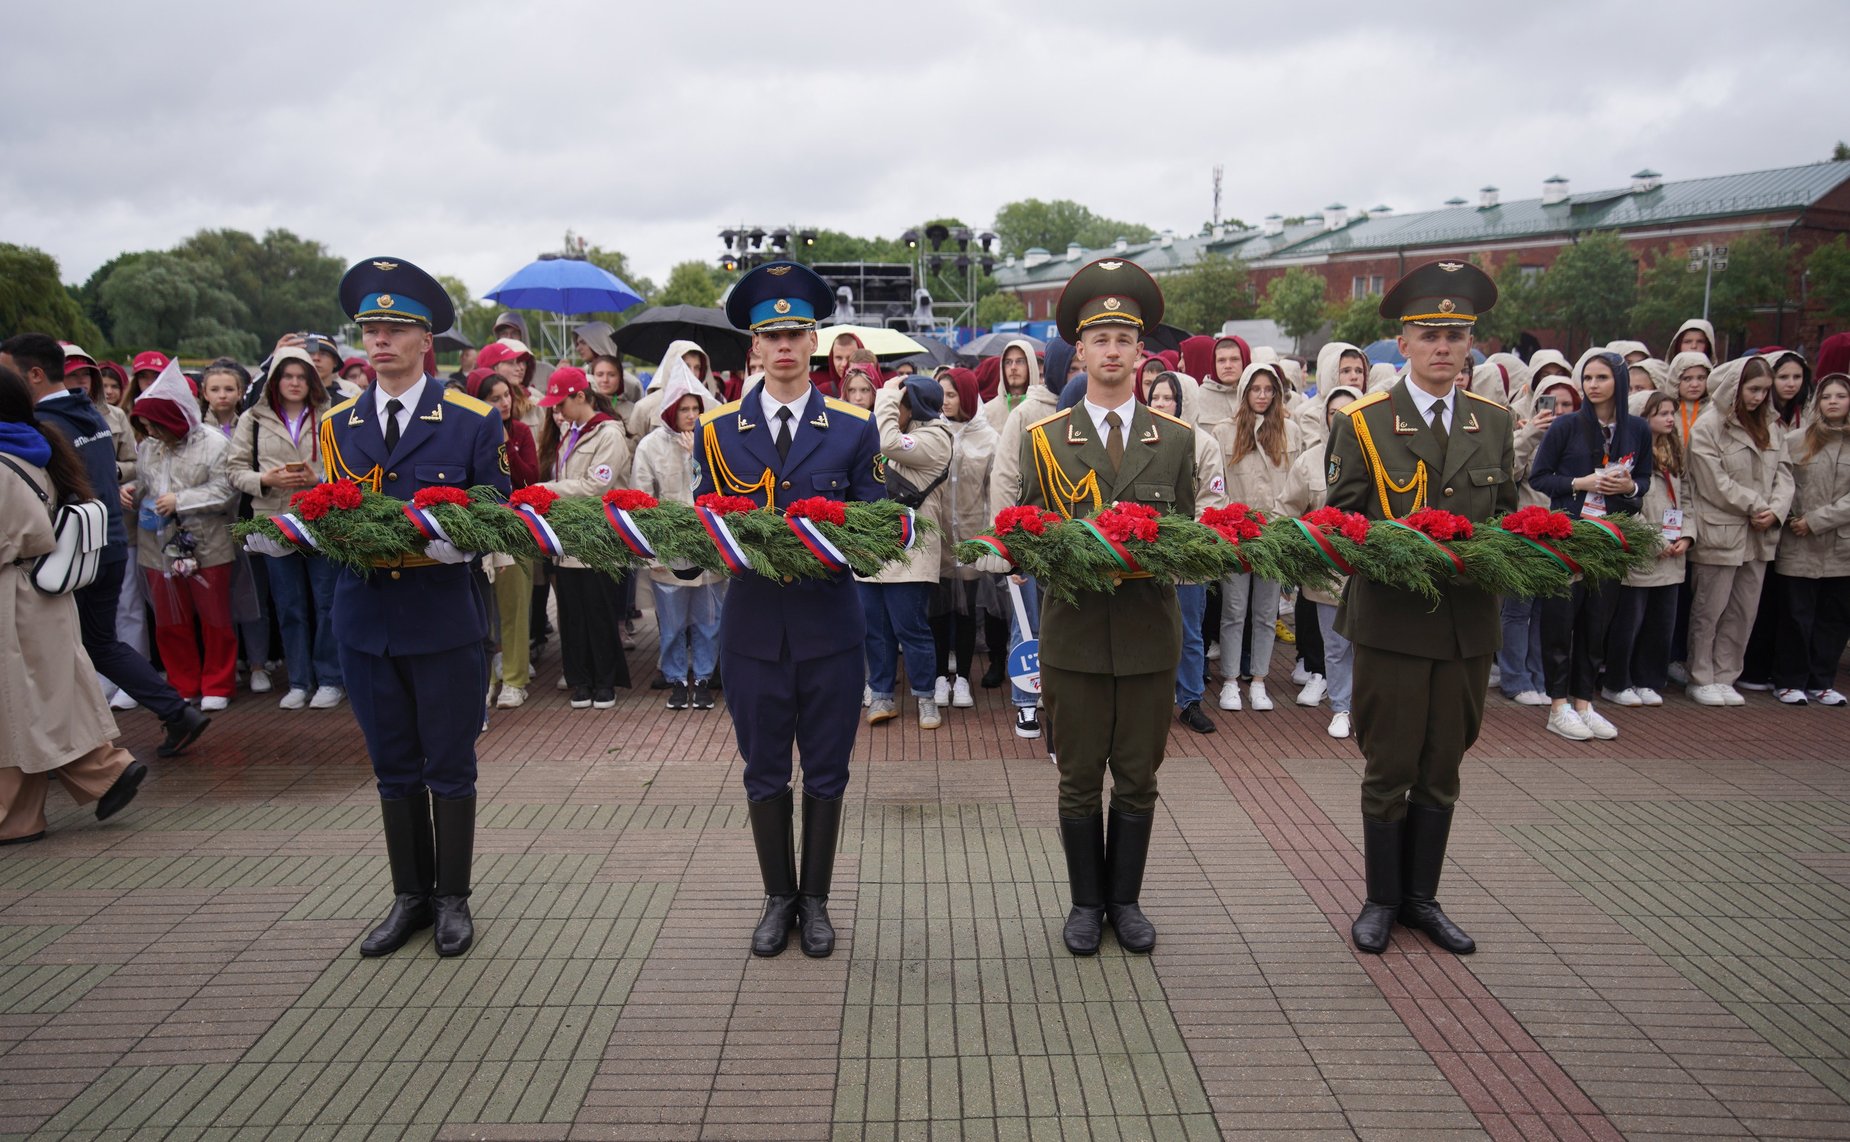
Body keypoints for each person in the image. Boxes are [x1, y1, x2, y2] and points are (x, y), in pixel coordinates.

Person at [248, 257, 510, 959]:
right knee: (392, 764)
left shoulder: (471, 419)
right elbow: (334, 505)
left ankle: (452, 899)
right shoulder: (339, 423)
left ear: (426, 339)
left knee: (448, 763)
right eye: (370, 330)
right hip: (366, 618)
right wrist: (296, 533)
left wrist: (463, 542)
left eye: (395, 329)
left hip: (441, 613)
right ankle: (409, 898)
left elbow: (498, 507)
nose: (380, 340)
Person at [1323, 260, 1516, 956]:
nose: (1443, 347)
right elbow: (1342, 524)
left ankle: (1422, 900)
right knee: (1390, 764)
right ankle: (1381, 900)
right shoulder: (1366, 422)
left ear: (1470, 345)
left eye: (1455, 335)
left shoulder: (1494, 423)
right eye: (1430, 334)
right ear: (1402, 343)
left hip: (1466, 627)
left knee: (1443, 765)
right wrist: (1399, 552)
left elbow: (1507, 519)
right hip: (1393, 624)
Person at [1012, 258, 1196, 957]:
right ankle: (1087, 905)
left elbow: (1185, 536)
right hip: (1077, 637)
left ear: (1141, 352)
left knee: (1140, 778)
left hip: (1148, 636)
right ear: (1080, 352)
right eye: (1100, 339)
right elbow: (1030, 536)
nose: (1112, 350)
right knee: (1080, 776)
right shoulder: (1044, 440)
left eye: (1124, 338)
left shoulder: (1175, 440)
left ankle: (1127, 901)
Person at [698, 260, 880, 959]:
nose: (783, 346)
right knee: (764, 769)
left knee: (828, 769)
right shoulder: (717, 430)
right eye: (771, 335)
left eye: (796, 333)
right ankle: (778, 897)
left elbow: (872, 528)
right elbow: (703, 523)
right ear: (754, 345)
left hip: (830, 629)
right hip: (752, 633)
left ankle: (817, 901)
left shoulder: (853, 428)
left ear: (814, 343)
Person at [1, 335, 210, 757]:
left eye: (7, 373)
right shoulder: (90, 413)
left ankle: (80, 752)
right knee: (99, 643)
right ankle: (174, 713)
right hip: (105, 542)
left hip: (66, 553)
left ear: (35, 374)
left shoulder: (41, 426)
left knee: (65, 649)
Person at [0, 364, 147, 844]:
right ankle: (101, 770)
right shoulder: (36, 444)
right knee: (39, 698)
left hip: (13, 597)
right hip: (42, 592)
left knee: (17, 705)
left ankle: (23, 813)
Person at [1527, 349, 1652, 741]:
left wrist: (1628, 487)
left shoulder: (1637, 429)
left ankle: (1584, 702)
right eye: (1588, 378)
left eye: (1602, 378)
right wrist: (1580, 483)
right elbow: (1539, 476)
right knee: (1560, 621)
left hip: (1610, 536)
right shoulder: (1566, 426)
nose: (1593, 385)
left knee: (1597, 622)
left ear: (1619, 381)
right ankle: (1558, 706)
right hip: (1569, 535)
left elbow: (1644, 481)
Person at [229, 347, 344, 710]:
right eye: (287, 376)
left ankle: (330, 679)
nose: (294, 383)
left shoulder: (331, 414)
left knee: (327, 602)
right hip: (274, 520)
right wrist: (265, 479)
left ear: (312, 381)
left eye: (301, 377)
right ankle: (298, 680)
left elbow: (347, 469)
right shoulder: (253, 419)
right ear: (275, 381)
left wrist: (318, 479)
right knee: (289, 604)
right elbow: (234, 470)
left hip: (321, 519)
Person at [123, 360, 240, 712]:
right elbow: (147, 481)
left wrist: (182, 500)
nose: (150, 432)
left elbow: (227, 490)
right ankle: (182, 682)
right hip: (156, 546)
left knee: (215, 618)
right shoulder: (150, 446)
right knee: (169, 620)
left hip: (206, 542)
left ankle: (218, 683)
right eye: (145, 427)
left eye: (154, 426)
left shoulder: (214, 444)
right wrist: (131, 491)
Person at [1685, 356, 1792, 706]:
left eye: (1764, 390)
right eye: (1753, 389)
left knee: (1744, 610)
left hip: (1760, 534)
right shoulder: (1708, 425)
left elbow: (1785, 475)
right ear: (1736, 386)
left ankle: (1726, 674)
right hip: (1721, 530)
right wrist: (1756, 505)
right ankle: (1701, 676)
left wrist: (1776, 510)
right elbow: (1712, 482)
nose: (1759, 397)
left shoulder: (1772, 425)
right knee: (1710, 609)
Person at [989, 335, 1074, 739]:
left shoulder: (1089, 407)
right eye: (1072, 369)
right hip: (1030, 535)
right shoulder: (1025, 413)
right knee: (1027, 624)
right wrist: (1010, 548)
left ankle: (1062, 698)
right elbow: (1004, 478)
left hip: (1074, 540)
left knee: (1067, 624)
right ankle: (1026, 702)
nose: (1079, 375)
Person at [860, 375, 954, 728]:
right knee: (875, 628)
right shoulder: (901, 431)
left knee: (910, 627)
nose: (890, 410)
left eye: (898, 405)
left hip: (912, 552)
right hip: (875, 546)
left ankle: (926, 698)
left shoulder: (936, 438)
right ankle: (881, 695)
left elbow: (887, 442)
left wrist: (885, 394)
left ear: (913, 407)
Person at [535, 367, 632, 707]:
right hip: (568, 541)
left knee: (598, 613)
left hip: (599, 541)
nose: (557, 411)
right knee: (571, 614)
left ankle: (605, 682)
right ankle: (580, 680)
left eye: (561, 403)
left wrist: (546, 490)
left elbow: (596, 486)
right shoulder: (571, 433)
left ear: (580, 396)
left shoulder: (609, 434)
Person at [629, 360, 723, 710]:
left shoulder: (713, 442)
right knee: (671, 623)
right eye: (684, 409)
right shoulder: (650, 446)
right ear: (670, 410)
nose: (690, 415)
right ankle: (676, 679)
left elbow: (721, 491)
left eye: (695, 408)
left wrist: (697, 455)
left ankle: (703, 678)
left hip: (708, 548)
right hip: (669, 550)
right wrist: (650, 553)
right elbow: (641, 500)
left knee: (709, 620)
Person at [1279, 381, 1365, 737]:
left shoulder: (1380, 456)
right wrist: (1302, 548)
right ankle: (1341, 708)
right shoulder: (1310, 461)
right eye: (1334, 413)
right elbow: (1287, 510)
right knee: (1336, 646)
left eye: (1349, 412)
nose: (1341, 418)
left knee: (1368, 645)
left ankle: (1366, 708)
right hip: (1327, 573)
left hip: (1369, 570)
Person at [1213, 361, 1301, 712]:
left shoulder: (1290, 431)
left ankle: (1260, 680)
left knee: (1266, 613)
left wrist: (1282, 528)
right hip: (1238, 534)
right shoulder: (1225, 431)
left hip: (1274, 536)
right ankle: (1230, 681)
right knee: (1234, 611)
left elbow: (1295, 485)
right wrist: (1232, 523)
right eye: (1255, 389)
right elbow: (1217, 484)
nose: (1262, 396)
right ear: (1244, 392)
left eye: (1268, 390)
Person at [1603, 390, 1697, 708]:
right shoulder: (1627, 455)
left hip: (1673, 550)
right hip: (1642, 551)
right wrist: (1654, 541)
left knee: (1661, 622)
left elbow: (1687, 499)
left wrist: (1687, 535)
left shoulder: (1674, 453)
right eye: (1662, 413)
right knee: (1630, 622)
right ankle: (1618, 681)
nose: (1670, 419)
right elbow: (1622, 505)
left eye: (1672, 413)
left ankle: (1648, 679)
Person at [1146, 370, 1225, 734]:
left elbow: (1213, 499)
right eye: (1155, 397)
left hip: (1189, 556)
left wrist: (1182, 537)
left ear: (1185, 401)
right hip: (1148, 554)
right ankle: (1152, 699)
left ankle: (1190, 700)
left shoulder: (1204, 444)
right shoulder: (1141, 440)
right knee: (1149, 629)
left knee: (1189, 632)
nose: (1161, 404)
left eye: (1169, 398)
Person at [1771, 372, 1850, 706]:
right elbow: (1781, 482)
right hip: (1797, 541)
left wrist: (1816, 521)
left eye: (1841, 396)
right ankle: (1789, 681)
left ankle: (1822, 681)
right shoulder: (1796, 440)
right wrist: (1792, 518)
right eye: (1827, 396)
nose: (1833, 402)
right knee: (1795, 615)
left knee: (1834, 618)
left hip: (1841, 545)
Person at [929, 367, 1000, 707]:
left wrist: (993, 536)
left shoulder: (988, 438)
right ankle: (940, 675)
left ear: (968, 396)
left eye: (952, 394)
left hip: (972, 537)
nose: (945, 401)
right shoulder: (933, 432)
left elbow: (994, 490)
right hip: (938, 536)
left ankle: (963, 679)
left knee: (968, 611)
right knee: (938, 610)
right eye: (941, 394)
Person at [472, 371, 540, 709]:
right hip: (480, 529)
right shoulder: (467, 433)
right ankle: (486, 678)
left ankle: (514, 680)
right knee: (483, 612)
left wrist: (504, 445)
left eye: (506, 396)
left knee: (514, 606)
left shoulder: (521, 432)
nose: (504, 403)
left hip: (516, 527)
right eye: (494, 398)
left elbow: (530, 477)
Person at [809, 330, 865, 397]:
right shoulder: (820, 393)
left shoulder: (873, 392)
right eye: (839, 358)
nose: (844, 364)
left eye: (850, 358)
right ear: (832, 359)